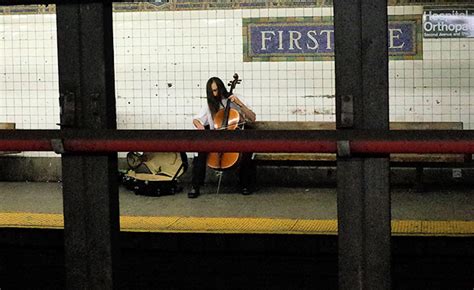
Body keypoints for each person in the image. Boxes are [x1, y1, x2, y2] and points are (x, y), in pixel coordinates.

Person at [188, 77, 257, 198]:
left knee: (247, 151)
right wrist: (199, 126)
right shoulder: (209, 104)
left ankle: (245, 184)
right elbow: (196, 119)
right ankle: (196, 186)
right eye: (213, 91)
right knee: (199, 151)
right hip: (217, 138)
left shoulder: (235, 98)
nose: (216, 93)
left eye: (217, 89)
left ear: (222, 87)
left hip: (236, 138)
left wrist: (239, 104)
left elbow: (252, 117)